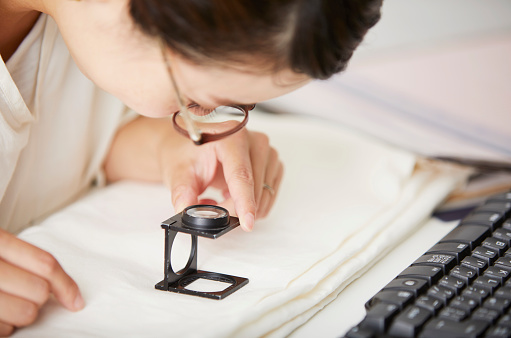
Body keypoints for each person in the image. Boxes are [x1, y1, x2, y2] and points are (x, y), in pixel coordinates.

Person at [0, 0, 382, 335]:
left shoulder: (83, 27)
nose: (207, 124)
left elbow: (56, 146)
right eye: (196, 102)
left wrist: (163, 144)